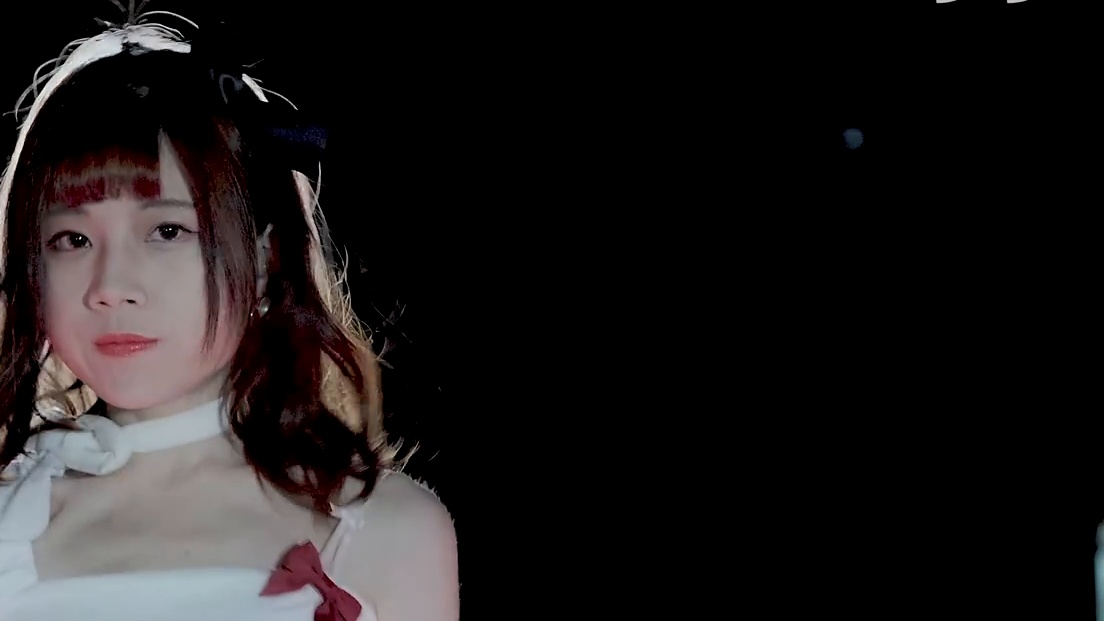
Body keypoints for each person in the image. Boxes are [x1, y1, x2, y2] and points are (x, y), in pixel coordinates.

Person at [0, 12, 459, 621]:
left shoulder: (389, 530)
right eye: (72, 240)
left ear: (266, 258)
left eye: (167, 231)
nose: (110, 288)